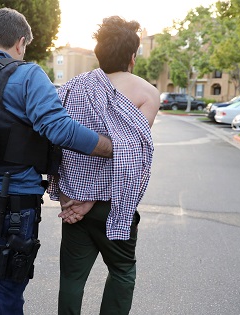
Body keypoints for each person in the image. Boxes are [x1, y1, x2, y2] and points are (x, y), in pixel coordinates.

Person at [0, 8, 113, 315]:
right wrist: (108, 147)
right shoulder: (26, 75)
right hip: (8, 210)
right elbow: (58, 128)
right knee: (7, 284)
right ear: (20, 43)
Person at [47, 16, 160, 315]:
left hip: (73, 203)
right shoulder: (147, 94)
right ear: (133, 57)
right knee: (122, 271)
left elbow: (53, 142)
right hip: (113, 202)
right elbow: (129, 157)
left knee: (71, 278)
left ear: (99, 52)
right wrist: (93, 199)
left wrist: (71, 196)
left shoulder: (71, 88)